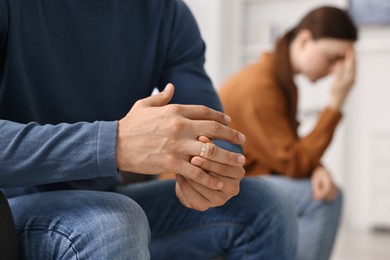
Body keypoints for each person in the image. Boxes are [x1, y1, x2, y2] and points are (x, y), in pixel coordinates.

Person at [0, 0, 297, 259]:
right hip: (11, 210)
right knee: (112, 223)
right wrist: (112, 143)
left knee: (265, 204)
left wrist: (214, 170)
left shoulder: (167, 14)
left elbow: (211, 127)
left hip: (108, 206)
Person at [219, 6, 358, 260]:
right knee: (320, 198)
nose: (334, 70)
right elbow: (293, 162)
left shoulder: (280, 80)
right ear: (304, 40)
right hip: (207, 186)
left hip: (241, 175)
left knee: (322, 188)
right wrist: (336, 103)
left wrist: (317, 168)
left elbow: (290, 149)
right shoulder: (261, 86)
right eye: (332, 58)